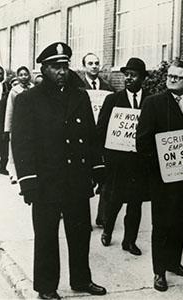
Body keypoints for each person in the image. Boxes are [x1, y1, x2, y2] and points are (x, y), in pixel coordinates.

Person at [11, 42, 107, 299]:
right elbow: (21, 144)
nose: (62, 72)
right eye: (55, 67)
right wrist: (27, 181)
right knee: (46, 236)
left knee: (80, 232)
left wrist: (97, 168)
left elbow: (91, 136)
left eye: (64, 66)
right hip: (46, 182)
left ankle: (81, 279)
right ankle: (46, 286)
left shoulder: (79, 96)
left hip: (76, 179)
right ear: (44, 69)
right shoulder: (28, 99)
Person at [136, 60, 183, 292]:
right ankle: (159, 271)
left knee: (181, 222)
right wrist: (160, 166)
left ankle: (173, 262)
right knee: (161, 224)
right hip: (162, 178)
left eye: (177, 77)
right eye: (169, 76)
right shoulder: (153, 103)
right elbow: (142, 141)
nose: (171, 80)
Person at [97, 57, 150, 255]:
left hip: (139, 163)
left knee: (135, 204)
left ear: (142, 78)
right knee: (114, 200)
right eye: (126, 74)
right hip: (117, 162)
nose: (128, 78)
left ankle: (130, 241)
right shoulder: (113, 100)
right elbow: (101, 129)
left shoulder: (150, 100)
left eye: (133, 75)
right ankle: (108, 231)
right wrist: (104, 158)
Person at [82, 52, 114, 227]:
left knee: (104, 176)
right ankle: (83, 217)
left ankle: (102, 217)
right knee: (85, 176)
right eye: (90, 63)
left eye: (96, 63)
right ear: (84, 66)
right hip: (84, 136)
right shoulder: (78, 87)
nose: (94, 66)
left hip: (102, 136)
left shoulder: (108, 88)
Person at [4, 66, 34, 184]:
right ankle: (14, 173)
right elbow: (9, 111)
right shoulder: (14, 91)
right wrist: (7, 129)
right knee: (15, 148)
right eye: (21, 75)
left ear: (29, 76)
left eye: (25, 74)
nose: (23, 77)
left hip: (31, 123)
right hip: (18, 123)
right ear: (17, 77)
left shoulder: (33, 89)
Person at [0, 65, 10, 175]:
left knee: (3, 141)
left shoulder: (7, 86)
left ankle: (2, 167)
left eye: (1, 73)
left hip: (3, 117)